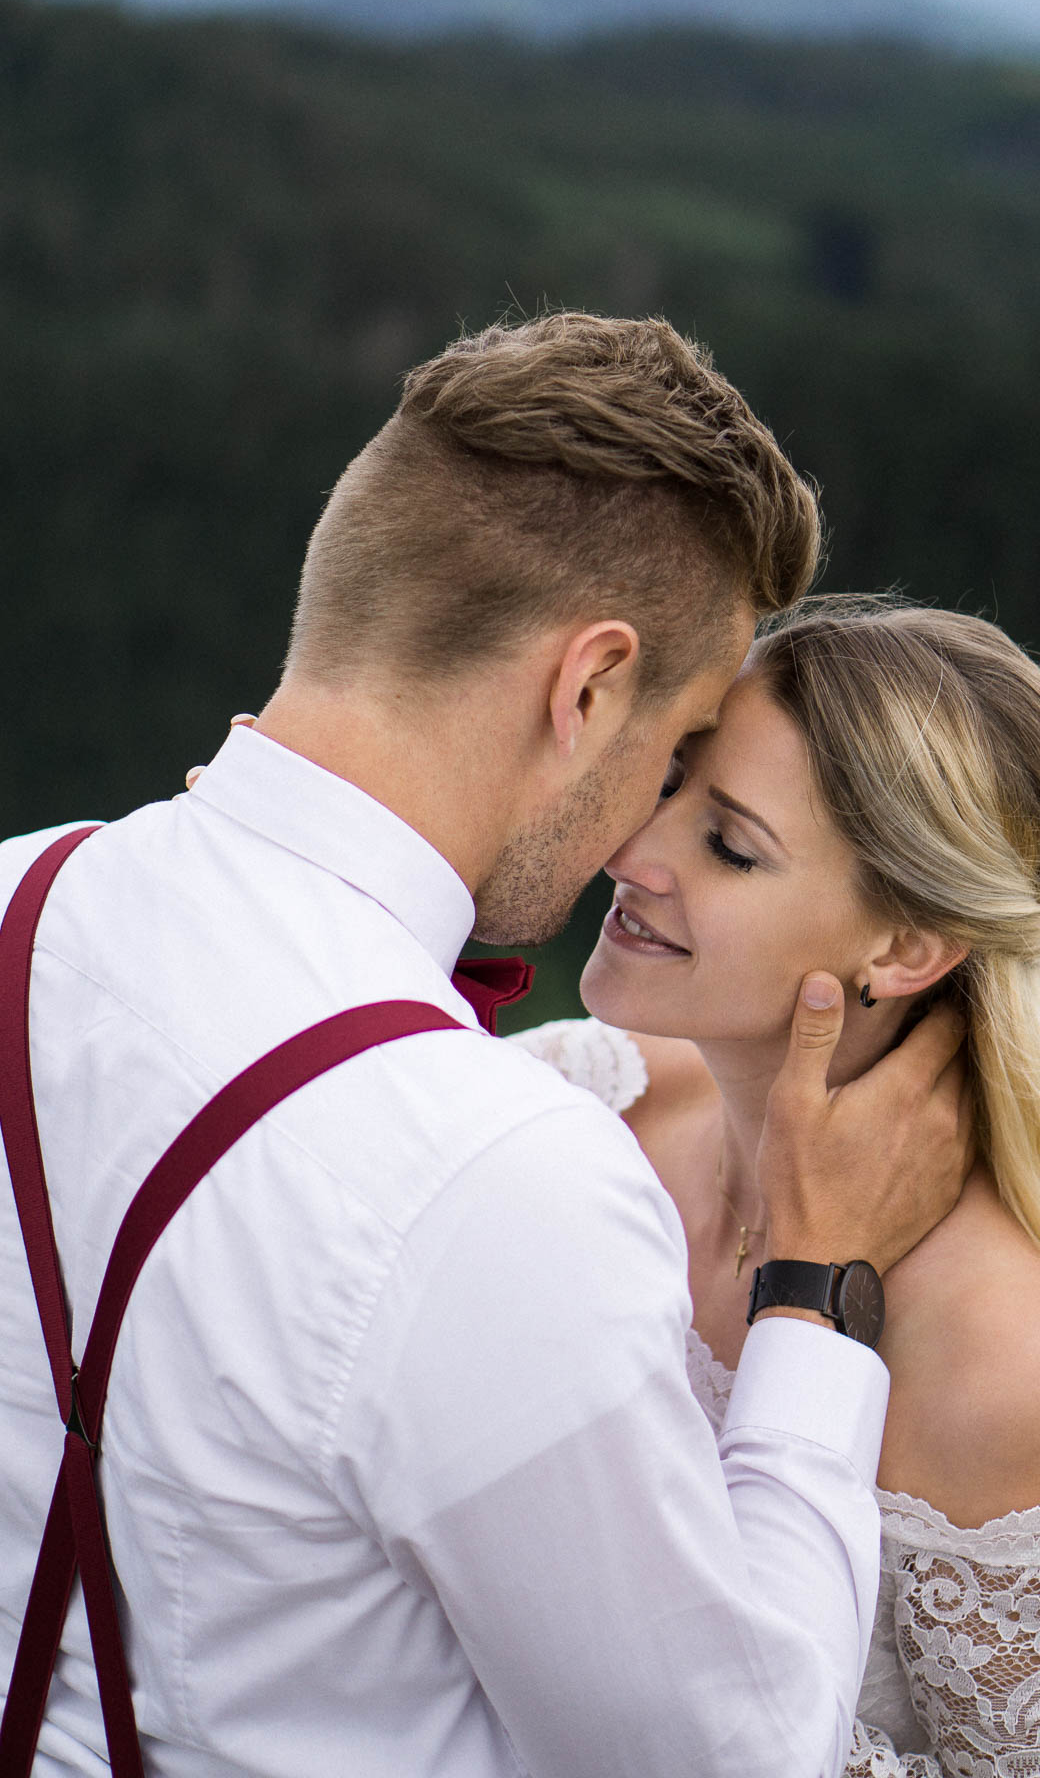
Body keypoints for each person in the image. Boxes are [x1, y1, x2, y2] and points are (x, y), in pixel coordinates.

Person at [0, 318, 971, 1778]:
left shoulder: (19, 890)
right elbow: (739, 1756)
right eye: (677, 744)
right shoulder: (497, 1173)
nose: (647, 824)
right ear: (587, 691)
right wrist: (813, 1306)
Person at [513, 596, 1040, 1777]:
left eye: (729, 845)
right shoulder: (588, 1098)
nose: (630, 855)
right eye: (666, 783)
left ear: (903, 950)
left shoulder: (988, 1352)